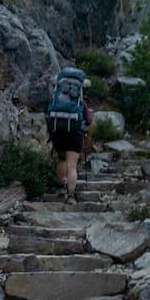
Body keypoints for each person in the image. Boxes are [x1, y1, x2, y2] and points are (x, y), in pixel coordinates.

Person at [48, 75, 92, 204]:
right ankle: (71, 196)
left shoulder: (56, 99)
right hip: (75, 134)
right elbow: (88, 120)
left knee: (61, 160)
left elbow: (48, 113)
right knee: (72, 165)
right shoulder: (80, 101)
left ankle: (61, 188)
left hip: (58, 132)